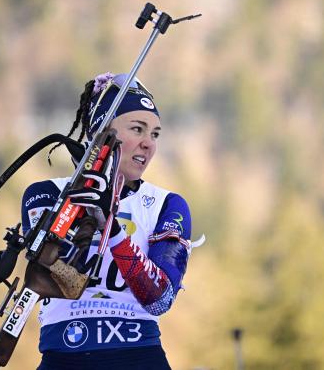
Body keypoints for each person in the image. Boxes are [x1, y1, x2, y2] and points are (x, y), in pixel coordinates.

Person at [21, 72, 194, 370]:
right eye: (138, 129)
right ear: (103, 133)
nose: (148, 144)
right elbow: (53, 278)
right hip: (64, 356)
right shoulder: (46, 194)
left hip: (139, 357)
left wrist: (112, 229)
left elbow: (160, 300)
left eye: (155, 134)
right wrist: (83, 205)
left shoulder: (167, 204)